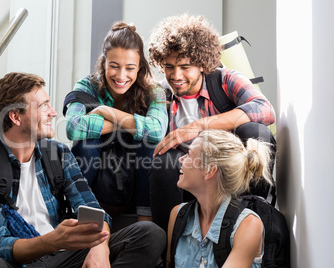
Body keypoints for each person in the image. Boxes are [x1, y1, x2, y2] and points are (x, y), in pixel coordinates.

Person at [0, 72, 165, 268]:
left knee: (150, 234)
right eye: (43, 106)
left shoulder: (58, 153)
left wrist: (99, 247)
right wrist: (52, 241)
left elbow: (93, 211)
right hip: (21, 260)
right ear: (15, 117)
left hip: (65, 256)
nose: (54, 113)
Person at [147, 13, 276, 232]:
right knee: (162, 162)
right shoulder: (161, 94)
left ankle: (255, 224)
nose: (176, 75)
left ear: (201, 63)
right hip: (189, 179)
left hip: (230, 176)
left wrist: (197, 127)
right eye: (169, 66)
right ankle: (169, 242)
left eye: (185, 66)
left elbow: (264, 109)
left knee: (256, 131)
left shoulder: (225, 80)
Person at [64, 22, 168, 221]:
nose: (121, 76)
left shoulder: (153, 91)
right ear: (104, 63)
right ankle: (82, 217)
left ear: (140, 68)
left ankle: (144, 221)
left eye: (130, 68)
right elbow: (73, 127)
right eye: (114, 66)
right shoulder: (87, 85)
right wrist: (130, 124)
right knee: (86, 143)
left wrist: (105, 111)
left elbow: (156, 131)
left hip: (135, 178)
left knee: (149, 144)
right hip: (97, 180)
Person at [167, 129, 273, 267]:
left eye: (189, 154)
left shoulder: (248, 225)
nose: (181, 159)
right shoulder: (177, 216)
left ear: (210, 171)